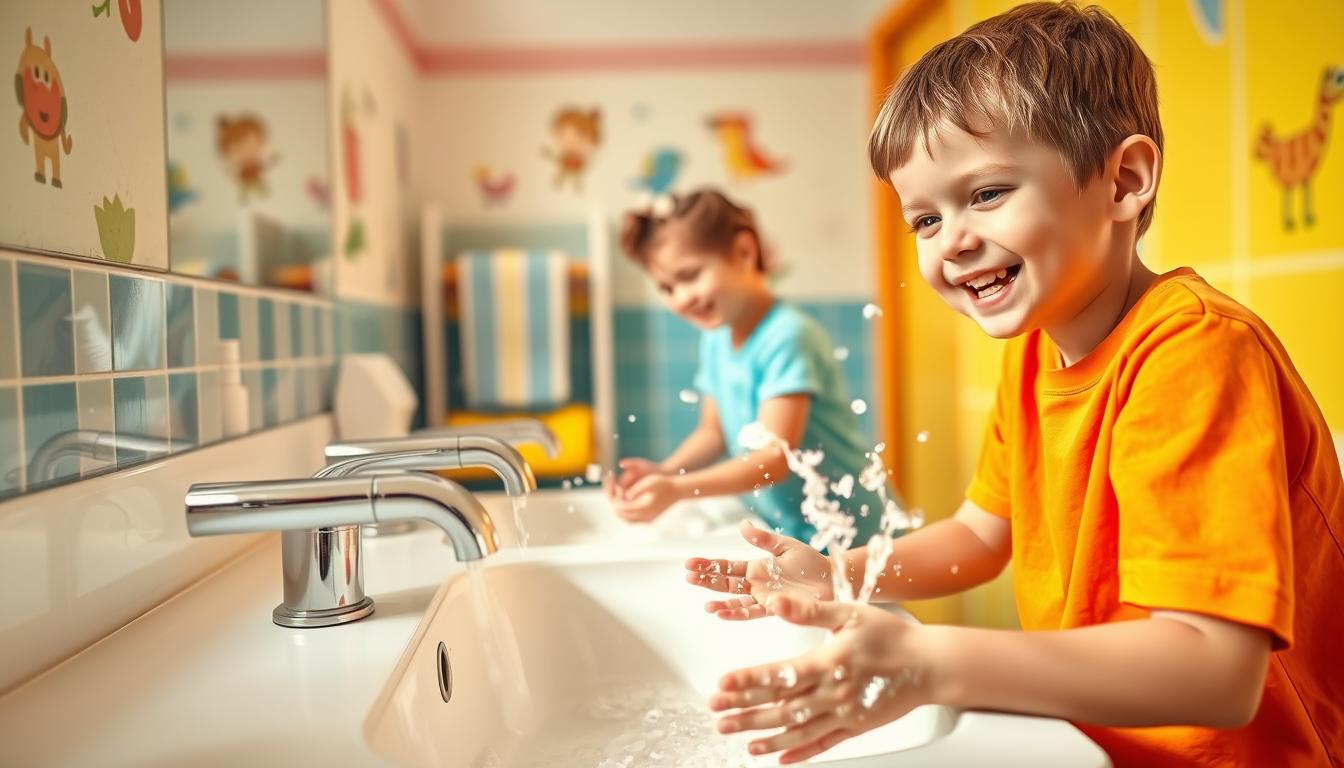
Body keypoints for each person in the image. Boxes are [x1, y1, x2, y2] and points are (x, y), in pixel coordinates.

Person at [684, 4, 1343, 765]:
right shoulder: (1032, 357)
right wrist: (840, 572)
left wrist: (930, 662)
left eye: (987, 194)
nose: (953, 242)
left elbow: (1214, 671)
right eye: (924, 221)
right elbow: (977, 538)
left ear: (1124, 180)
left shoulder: (1192, 352)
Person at [608, 187, 888, 550]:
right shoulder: (716, 338)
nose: (681, 298)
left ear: (743, 251)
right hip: (797, 533)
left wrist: (677, 490)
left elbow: (773, 459)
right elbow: (713, 433)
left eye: (690, 275)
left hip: (854, 537)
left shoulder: (787, 336)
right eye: (666, 287)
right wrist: (666, 471)